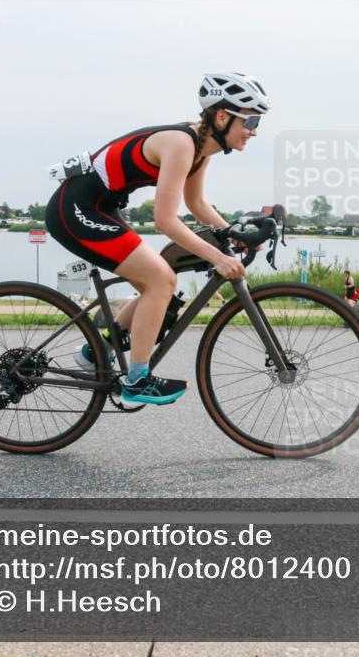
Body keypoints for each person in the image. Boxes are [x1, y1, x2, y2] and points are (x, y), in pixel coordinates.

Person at [44, 72, 270, 407]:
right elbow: (164, 220)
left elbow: (196, 205)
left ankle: (96, 353)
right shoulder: (182, 144)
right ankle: (136, 380)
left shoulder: (201, 150)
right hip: (75, 209)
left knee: (161, 278)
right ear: (222, 116)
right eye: (249, 119)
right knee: (161, 279)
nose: (253, 130)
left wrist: (233, 232)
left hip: (101, 207)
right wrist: (218, 257)